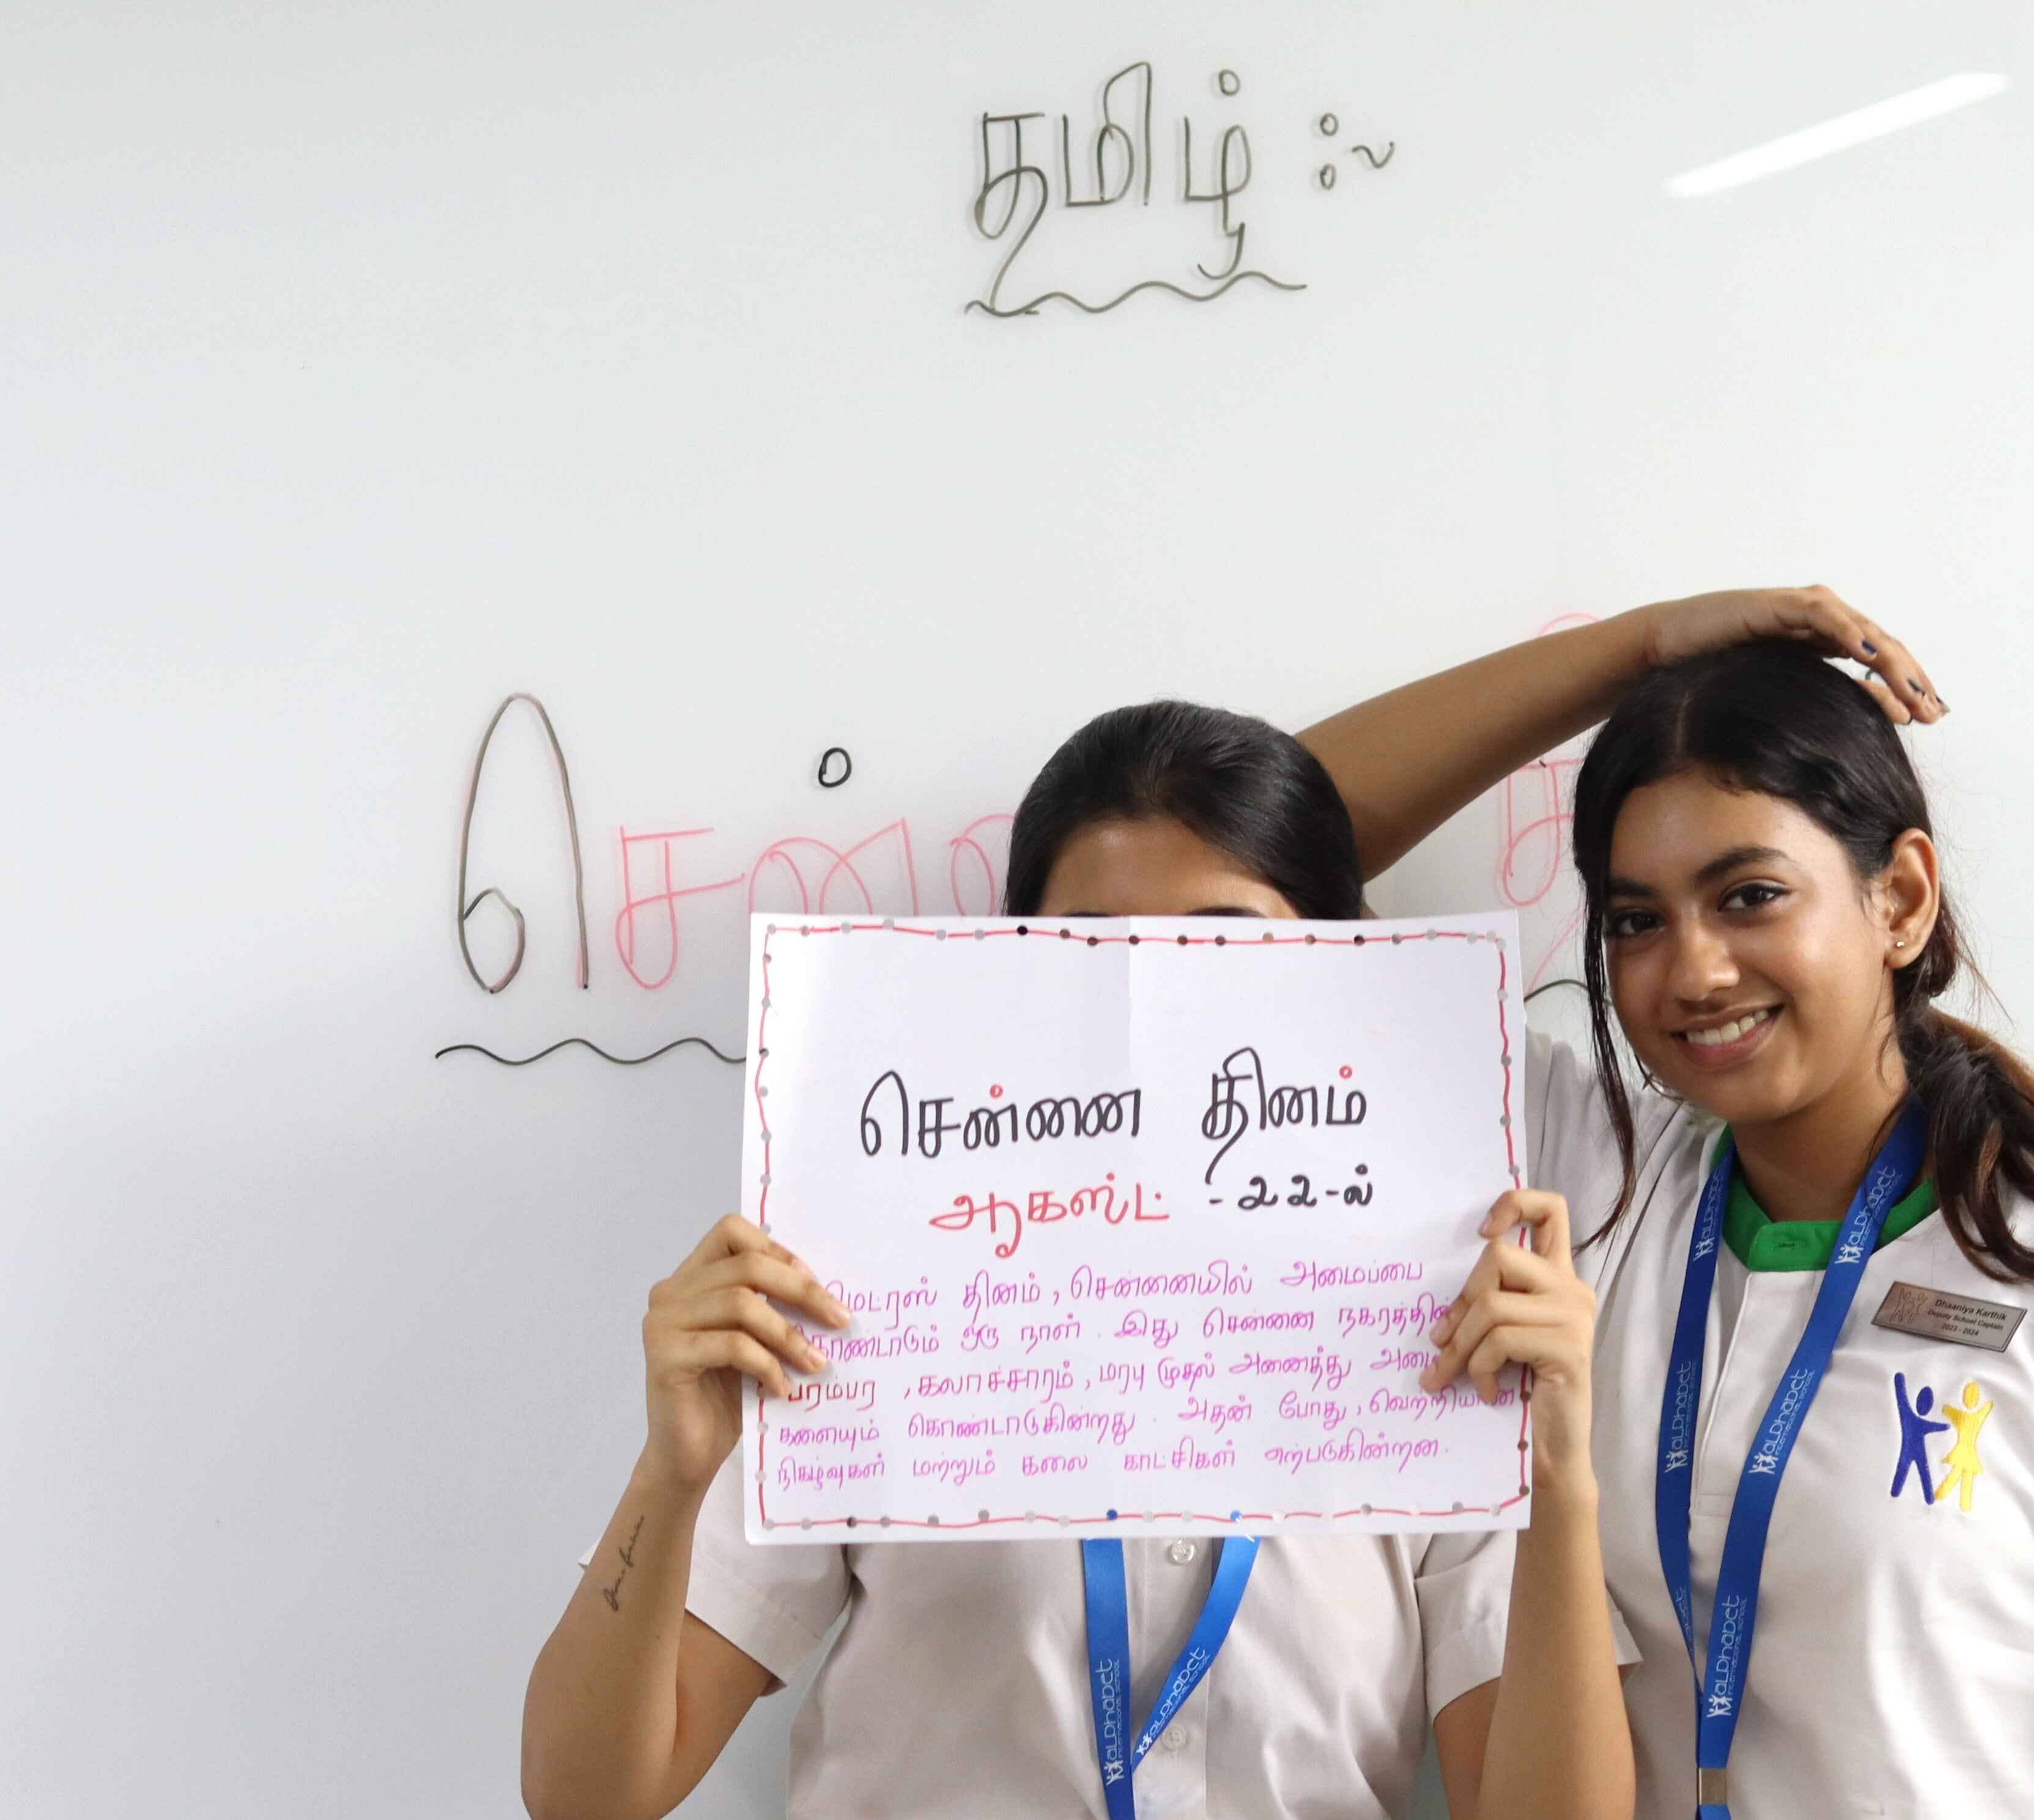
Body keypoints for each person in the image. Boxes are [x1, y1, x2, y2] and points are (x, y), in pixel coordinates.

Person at [1308, 601, 2034, 1818]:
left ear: (1899, 897)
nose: (1693, 970)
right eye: (1637, 920)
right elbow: (1265, 849)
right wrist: (1642, 655)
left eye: (1748, 895)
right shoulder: (1589, 1186)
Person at [520, 701, 1635, 1819]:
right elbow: (583, 1797)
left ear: (1338, 965)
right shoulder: (869, 1279)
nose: (1159, 994)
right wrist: (672, 1475)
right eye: (1093, 947)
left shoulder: (1448, 1319)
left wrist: (1562, 1477)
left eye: (1227, 944)